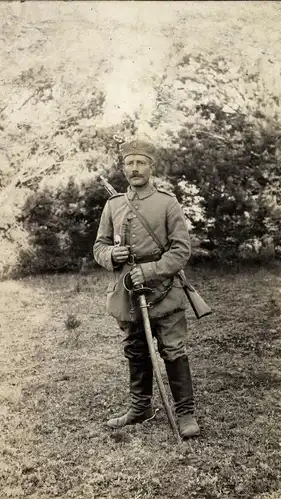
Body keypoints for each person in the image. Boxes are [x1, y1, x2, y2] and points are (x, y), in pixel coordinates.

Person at [93, 138, 200, 438]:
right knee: (136, 349)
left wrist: (150, 271)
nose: (135, 168)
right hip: (128, 293)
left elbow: (180, 250)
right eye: (130, 163)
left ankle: (186, 413)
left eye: (141, 162)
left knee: (173, 349)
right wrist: (110, 256)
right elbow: (99, 246)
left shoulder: (167, 202)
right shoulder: (113, 205)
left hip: (165, 291)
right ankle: (140, 408)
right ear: (123, 168)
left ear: (151, 167)